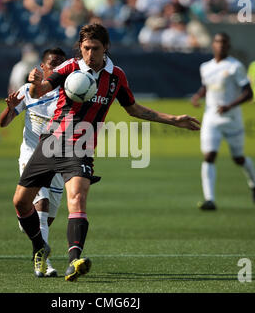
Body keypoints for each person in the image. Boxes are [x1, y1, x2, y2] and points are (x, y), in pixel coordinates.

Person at [14, 23, 201, 281]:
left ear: (106, 48)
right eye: (86, 48)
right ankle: (40, 246)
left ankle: (74, 260)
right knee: (21, 203)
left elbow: (134, 109)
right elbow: (43, 89)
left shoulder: (116, 76)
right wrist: (35, 84)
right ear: (80, 47)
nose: (90, 54)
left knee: (77, 198)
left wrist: (173, 119)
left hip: (81, 146)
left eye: (96, 48)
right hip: (52, 141)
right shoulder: (69, 67)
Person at [0, 47, 67, 277]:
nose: (57, 67)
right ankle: (43, 262)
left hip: (58, 158)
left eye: (61, 64)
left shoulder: (70, 92)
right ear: (43, 67)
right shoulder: (28, 91)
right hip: (32, 155)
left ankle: (28, 222)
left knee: (47, 216)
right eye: (53, 63)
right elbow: (3, 123)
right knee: (42, 204)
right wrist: (9, 110)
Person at [191, 32, 255, 211]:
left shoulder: (235, 66)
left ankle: (254, 183)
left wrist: (230, 106)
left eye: (224, 42)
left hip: (232, 118)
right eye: (217, 42)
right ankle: (210, 199)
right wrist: (198, 96)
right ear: (212, 45)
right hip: (211, 117)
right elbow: (207, 86)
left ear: (228, 46)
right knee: (209, 156)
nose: (220, 45)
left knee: (238, 159)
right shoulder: (205, 67)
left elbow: (248, 93)